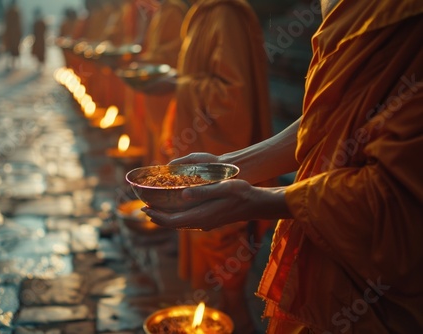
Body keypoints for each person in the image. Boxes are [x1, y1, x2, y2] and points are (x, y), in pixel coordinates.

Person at [143, 0, 423, 332]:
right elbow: (332, 118)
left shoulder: (406, 15)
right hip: (320, 226)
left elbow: (396, 196)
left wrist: (260, 201)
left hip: (374, 266)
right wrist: (226, 165)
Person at [145, 0, 274, 332]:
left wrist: (177, 84)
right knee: (201, 233)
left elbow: (231, 96)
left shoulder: (225, 15)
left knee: (221, 246)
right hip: (205, 150)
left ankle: (232, 317)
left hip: (221, 144)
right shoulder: (202, 12)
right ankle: (210, 313)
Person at [138, 0, 189, 165]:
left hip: (167, 85)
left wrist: (148, 59)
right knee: (156, 137)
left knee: (167, 144)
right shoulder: (160, 11)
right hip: (156, 84)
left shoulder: (174, 11)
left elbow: (176, 49)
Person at [3, 0, 22, 70]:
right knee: (10, 50)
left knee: (14, 50)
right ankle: (11, 64)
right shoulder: (12, 12)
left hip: (13, 34)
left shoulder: (14, 12)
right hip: (11, 34)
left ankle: (14, 64)